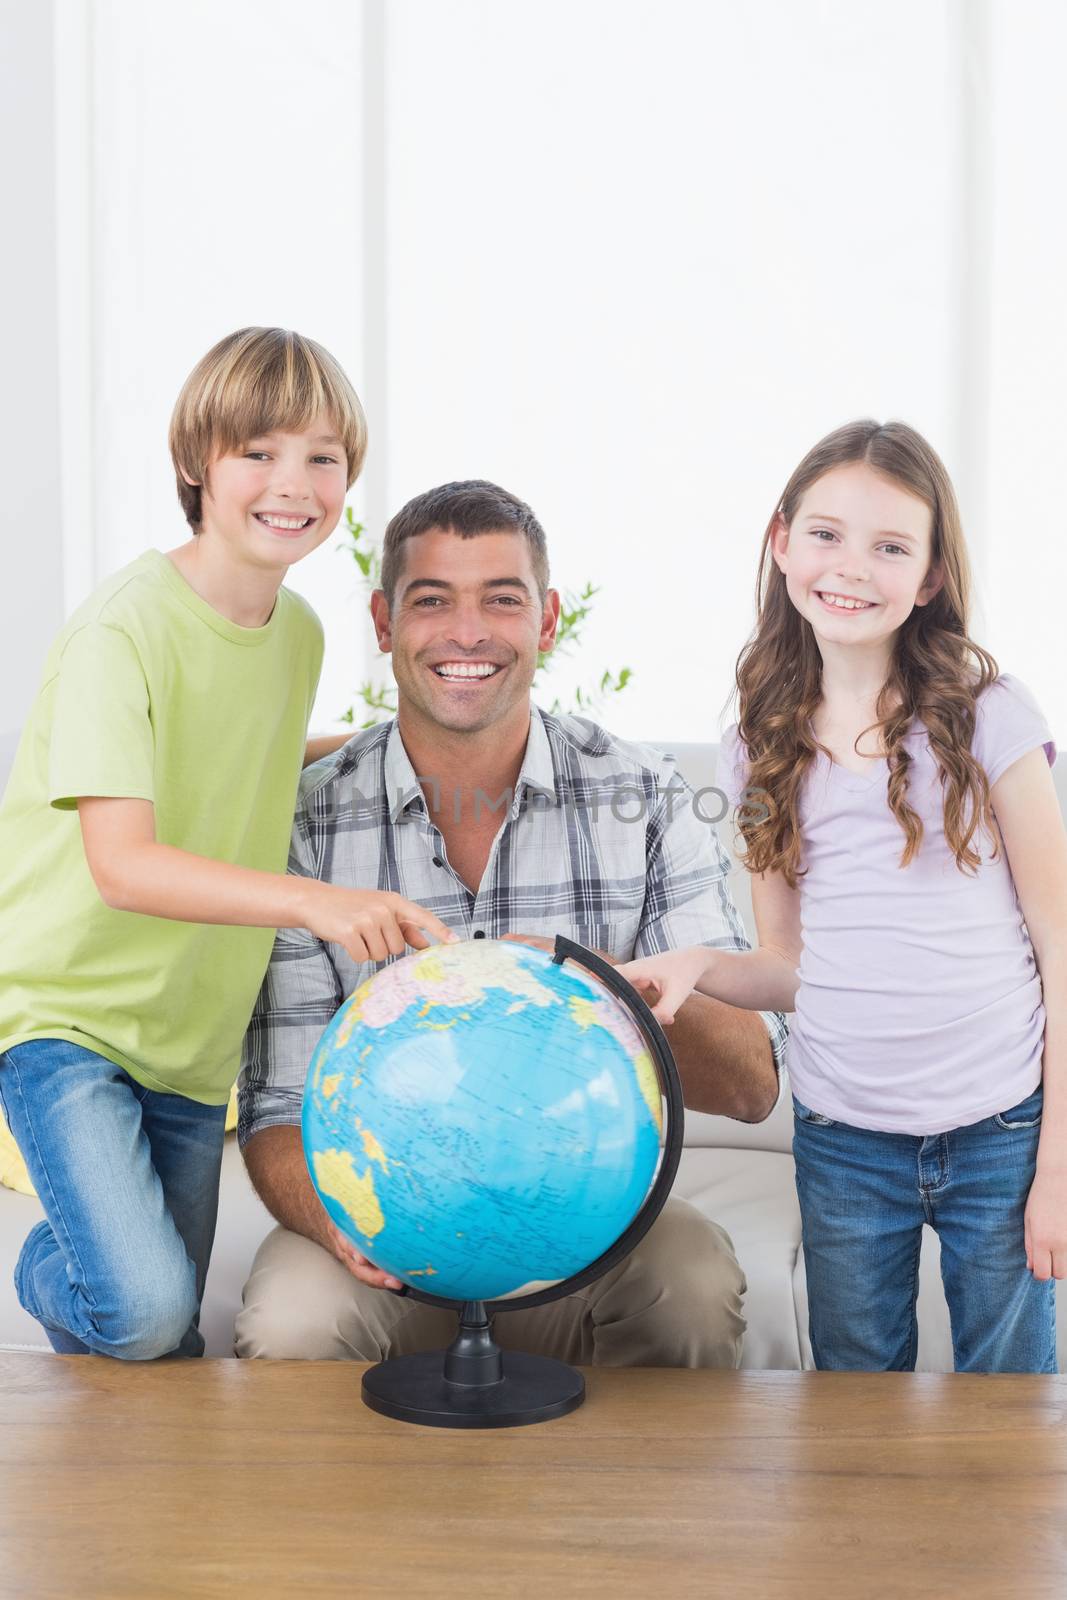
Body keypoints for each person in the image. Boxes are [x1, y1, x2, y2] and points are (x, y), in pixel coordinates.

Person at [236, 479, 786, 1369]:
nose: (466, 632)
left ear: (549, 618)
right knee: (292, 1320)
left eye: (502, 598)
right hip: (389, 1242)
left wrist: (597, 986)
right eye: (431, 601)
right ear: (382, 624)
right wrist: (347, 1237)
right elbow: (276, 1109)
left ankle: (639, 1515)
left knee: (691, 1284)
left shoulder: (643, 799)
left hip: (590, 1234)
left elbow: (751, 1084)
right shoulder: (305, 823)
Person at [0, 327, 450, 1361]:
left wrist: (393, 739)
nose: (292, 483)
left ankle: (124, 1513)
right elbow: (124, 862)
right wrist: (319, 903)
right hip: (68, 1012)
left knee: (151, 1346)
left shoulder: (295, 633)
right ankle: (44, 1259)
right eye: (259, 452)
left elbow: (244, 749)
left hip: (195, 1041)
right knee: (146, 1311)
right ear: (198, 462)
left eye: (322, 458)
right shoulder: (125, 628)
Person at [620, 419, 1067, 1373]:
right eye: (825, 534)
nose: (850, 566)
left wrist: (1058, 1168)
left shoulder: (992, 715)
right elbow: (787, 969)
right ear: (780, 542)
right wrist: (696, 964)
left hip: (1001, 1130)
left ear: (932, 575)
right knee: (855, 1423)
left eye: (889, 546)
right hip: (845, 1140)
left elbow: (1060, 953)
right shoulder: (760, 738)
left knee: (1010, 1420)